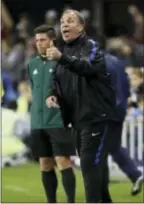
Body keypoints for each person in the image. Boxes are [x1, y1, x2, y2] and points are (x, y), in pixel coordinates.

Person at [46, 9, 116, 203]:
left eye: (70, 21)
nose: (64, 25)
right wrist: (53, 95)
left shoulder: (92, 47)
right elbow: (58, 80)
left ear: (81, 26)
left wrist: (62, 58)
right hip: (77, 121)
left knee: (88, 166)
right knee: (93, 167)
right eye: (62, 22)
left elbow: (87, 67)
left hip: (95, 117)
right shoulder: (64, 51)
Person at [27, 25, 76, 203]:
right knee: (45, 164)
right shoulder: (31, 64)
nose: (39, 43)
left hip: (57, 120)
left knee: (63, 161)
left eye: (43, 40)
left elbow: (69, 90)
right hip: (38, 122)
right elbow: (34, 90)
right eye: (37, 40)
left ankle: (71, 201)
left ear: (52, 41)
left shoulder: (61, 62)